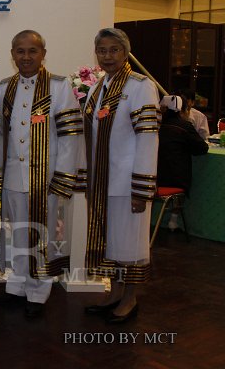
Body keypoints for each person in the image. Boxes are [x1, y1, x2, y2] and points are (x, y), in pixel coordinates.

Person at [0, 30, 83, 318]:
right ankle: (17, 288)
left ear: (43, 54)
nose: (26, 57)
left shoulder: (60, 86)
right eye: (20, 51)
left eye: (32, 51)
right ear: (12, 54)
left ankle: (38, 294)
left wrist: (62, 177)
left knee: (41, 236)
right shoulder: (4, 87)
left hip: (47, 180)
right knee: (15, 234)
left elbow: (70, 136)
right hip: (13, 177)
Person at [83, 28, 159, 324]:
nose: (108, 56)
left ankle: (130, 299)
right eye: (102, 50)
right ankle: (114, 294)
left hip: (128, 183)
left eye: (114, 50)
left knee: (130, 243)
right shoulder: (98, 86)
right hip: (102, 182)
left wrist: (142, 186)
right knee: (111, 242)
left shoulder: (141, 86)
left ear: (125, 53)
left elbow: (148, 138)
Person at [157, 95, 208, 230]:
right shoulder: (184, 126)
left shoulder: (155, 125)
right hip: (175, 180)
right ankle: (173, 221)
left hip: (153, 179)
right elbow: (202, 148)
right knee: (180, 173)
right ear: (181, 110)